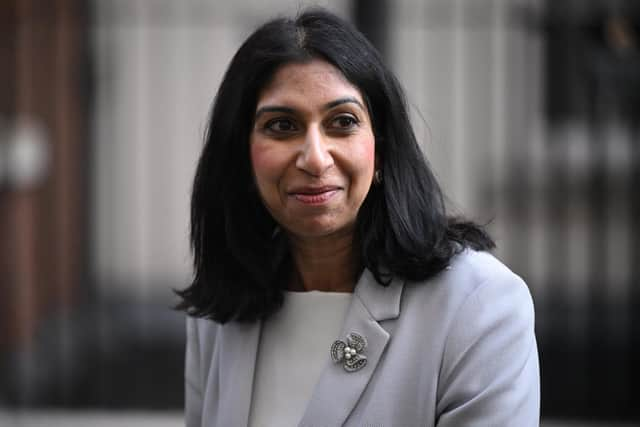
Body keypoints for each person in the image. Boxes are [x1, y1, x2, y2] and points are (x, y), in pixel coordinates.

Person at [176, 7, 540, 427]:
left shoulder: (479, 305)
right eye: (281, 126)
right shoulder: (219, 315)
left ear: (381, 149)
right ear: (241, 156)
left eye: (342, 122)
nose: (314, 158)